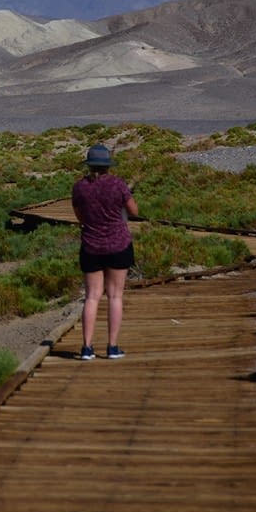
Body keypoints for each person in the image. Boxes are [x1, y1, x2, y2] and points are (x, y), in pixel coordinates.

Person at [71, 143, 139, 360]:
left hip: (91, 245)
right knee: (115, 296)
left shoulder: (79, 187)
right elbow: (134, 211)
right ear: (108, 165)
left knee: (91, 297)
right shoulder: (118, 185)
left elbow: (78, 214)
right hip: (118, 244)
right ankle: (112, 346)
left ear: (89, 165)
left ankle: (87, 348)